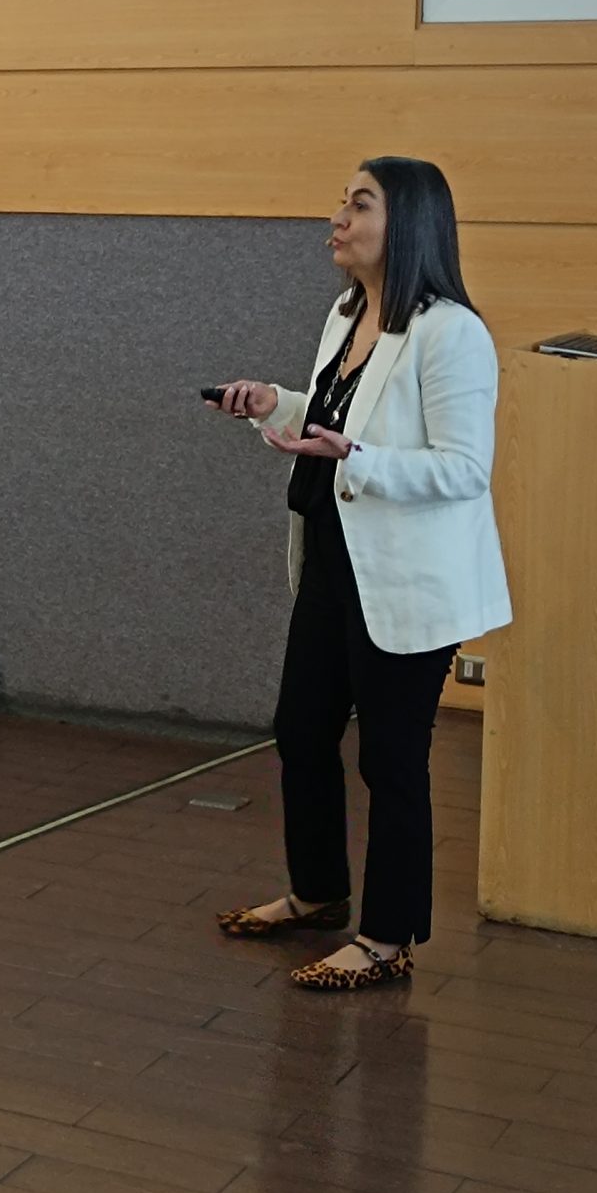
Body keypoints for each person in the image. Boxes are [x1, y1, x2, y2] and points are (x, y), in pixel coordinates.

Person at [208, 157, 510, 994]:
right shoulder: (348, 313)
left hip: (409, 578)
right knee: (300, 729)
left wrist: (359, 457)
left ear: (407, 222)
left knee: (391, 758)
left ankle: (387, 937)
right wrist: (275, 402)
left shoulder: (453, 333)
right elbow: (338, 420)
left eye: (359, 203)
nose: (337, 216)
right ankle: (318, 892)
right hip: (335, 560)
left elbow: (463, 468)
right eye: (342, 200)